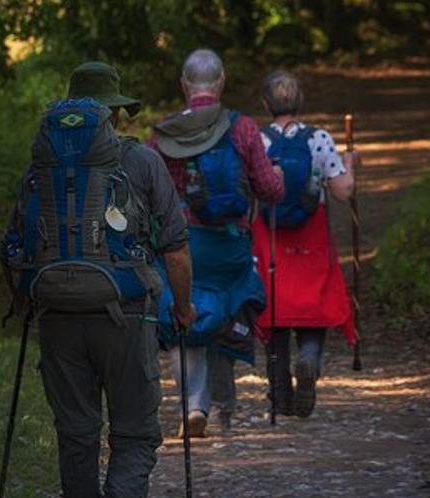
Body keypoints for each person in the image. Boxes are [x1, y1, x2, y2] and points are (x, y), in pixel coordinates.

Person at [0, 61, 195, 498]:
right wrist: (183, 307)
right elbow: (174, 246)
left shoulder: (41, 166)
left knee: (78, 438)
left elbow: (17, 243)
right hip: (125, 314)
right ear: (115, 111)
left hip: (58, 318)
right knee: (135, 433)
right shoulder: (144, 162)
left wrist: (25, 302)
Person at [151, 49, 285, 435]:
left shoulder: (163, 134)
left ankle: (193, 404)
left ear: (183, 85)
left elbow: (143, 187)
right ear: (222, 81)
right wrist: (277, 176)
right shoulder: (242, 129)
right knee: (226, 310)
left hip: (180, 244)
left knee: (181, 310)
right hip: (229, 245)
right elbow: (269, 189)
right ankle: (224, 408)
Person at [251, 70, 357, 418]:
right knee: (313, 307)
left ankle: (280, 397)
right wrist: (350, 167)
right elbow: (342, 192)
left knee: (276, 313)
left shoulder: (258, 141)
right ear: (300, 102)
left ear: (266, 104)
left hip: (271, 237)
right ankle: (309, 360)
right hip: (311, 238)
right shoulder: (319, 139)